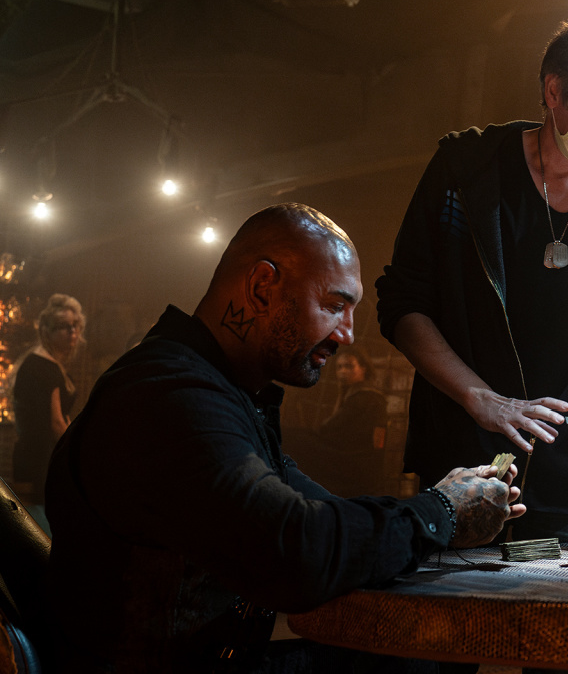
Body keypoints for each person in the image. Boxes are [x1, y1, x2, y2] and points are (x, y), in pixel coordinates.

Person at [43, 203, 522, 674]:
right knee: (429, 660)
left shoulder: (224, 393)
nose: (347, 335)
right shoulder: (171, 395)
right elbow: (296, 550)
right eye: (335, 306)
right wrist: (441, 512)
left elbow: (322, 516)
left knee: (435, 655)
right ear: (261, 286)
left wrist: (452, 508)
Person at [376, 10, 568, 542]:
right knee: (456, 613)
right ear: (553, 92)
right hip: (465, 463)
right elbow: (403, 302)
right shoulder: (467, 171)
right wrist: (480, 397)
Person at [11, 293, 83, 512]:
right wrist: (79, 455)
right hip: (39, 462)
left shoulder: (46, 363)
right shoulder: (43, 367)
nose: (72, 332)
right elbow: (56, 423)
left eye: (74, 325)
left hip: (39, 457)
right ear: (47, 331)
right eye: (63, 326)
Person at [297, 347, 389, 497]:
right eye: (339, 367)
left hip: (356, 463)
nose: (343, 372)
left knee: (297, 441)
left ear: (363, 368)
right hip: (351, 459)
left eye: (349, 366)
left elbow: (332, 428)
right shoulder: (352, 394)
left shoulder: (367, 398)